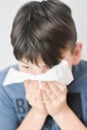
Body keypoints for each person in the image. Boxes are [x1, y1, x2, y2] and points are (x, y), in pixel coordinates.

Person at [0, 0, 87, 130]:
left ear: (76, 53)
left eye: (51, 67)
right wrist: (37, 113)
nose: (39, 77)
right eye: (27, 67)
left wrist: (61, 112)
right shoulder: (6, 86)